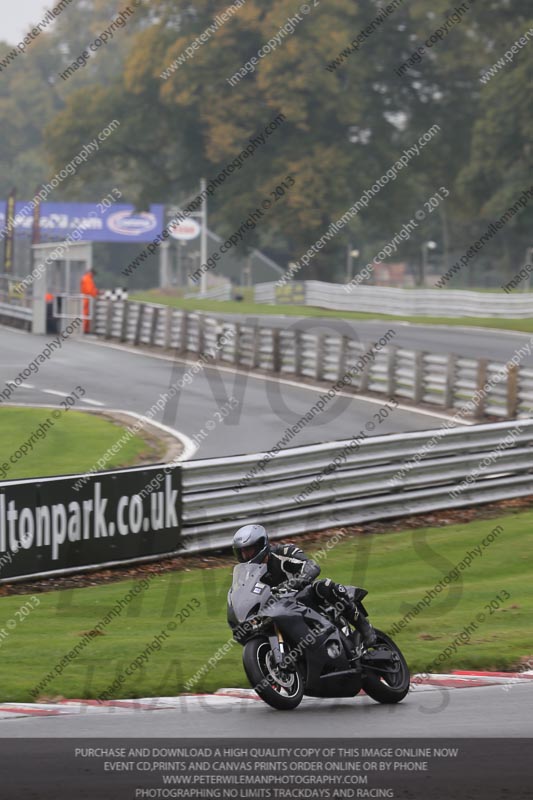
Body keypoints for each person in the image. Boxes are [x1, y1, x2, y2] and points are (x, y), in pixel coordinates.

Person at [232, 524, 376, 647]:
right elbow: (244, 593)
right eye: (242, 552)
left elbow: (312, 566)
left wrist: (297, 581)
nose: (246, 556)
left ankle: (365, 628)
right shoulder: (246, 574)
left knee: (324, 585)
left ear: (260, 545)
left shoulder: (283, 552)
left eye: (249, 550)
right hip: (275, 609)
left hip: (301, 598)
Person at [80, 268, 99, 333]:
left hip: (87, 299)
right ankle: (84, 330)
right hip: (87, 299)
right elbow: (89, 290)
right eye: (93, 274)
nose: (93, 276)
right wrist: (96, 292)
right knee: (86, 314)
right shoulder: (87, 279)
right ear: (91, 273)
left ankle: (86, 329)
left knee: (87, 314)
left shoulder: (87, 278)